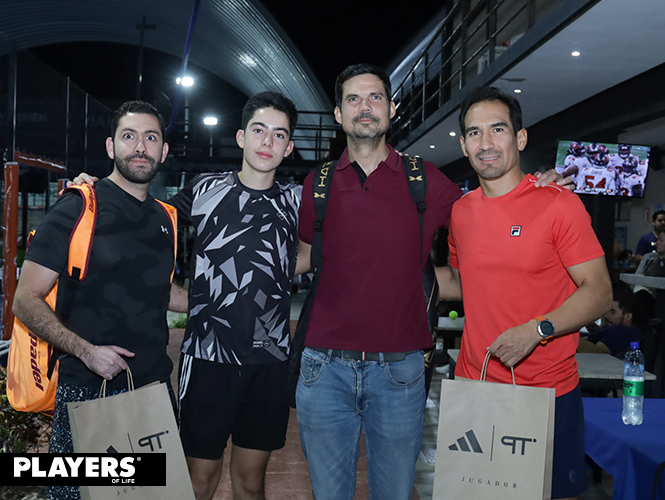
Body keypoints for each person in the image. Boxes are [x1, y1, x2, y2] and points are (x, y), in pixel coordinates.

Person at [294, 64, 570, 500]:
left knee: (395, 493)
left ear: (392, 109)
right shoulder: (318, 183)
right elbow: (303, 257)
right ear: (338, 114)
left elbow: (490, 207)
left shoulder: (425, 181)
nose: (365, 107)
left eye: (375, 97)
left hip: (400, 372)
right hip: (323, 369)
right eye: (353, 99)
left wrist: (536, 187)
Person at [71, 92, 301, 500]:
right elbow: (143, 216)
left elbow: (318, 251)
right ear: (241, 137)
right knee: (198, 483)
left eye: (279, 134)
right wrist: (98, 188)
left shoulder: (297, 201)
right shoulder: (205, 190)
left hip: (269, 362)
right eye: (259, 130)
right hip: (209, 358)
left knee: (251, 485)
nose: (267, 141)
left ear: (289, 146)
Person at [441, 86, 612, 500]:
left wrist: (538, 330)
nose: (486, 143)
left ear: (520, 138)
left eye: (497, 129)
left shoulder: (558, 205)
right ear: (463, 145)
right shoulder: (461, 212)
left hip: (546, 393)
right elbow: (461, 284)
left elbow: (600, 292)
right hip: (476, 387)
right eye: (475, 133)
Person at [12, 100, 187, 500]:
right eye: (129, 136)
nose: (140, 147)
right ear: (111, 147)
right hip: (87, 392)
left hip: (153, 391)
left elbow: (158, 290)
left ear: (163, 151)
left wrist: (211, 302)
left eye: (150, 138)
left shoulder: (166, 218)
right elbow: (25, 299)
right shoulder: (78, 206)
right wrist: (87, 352)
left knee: (152, 497)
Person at [578, 289, 644, 357]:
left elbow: (597, 352)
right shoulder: (619, 331)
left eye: (612, 312)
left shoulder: (621, 333)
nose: (606, 316)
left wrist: (572, 338)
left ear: (627, 317)